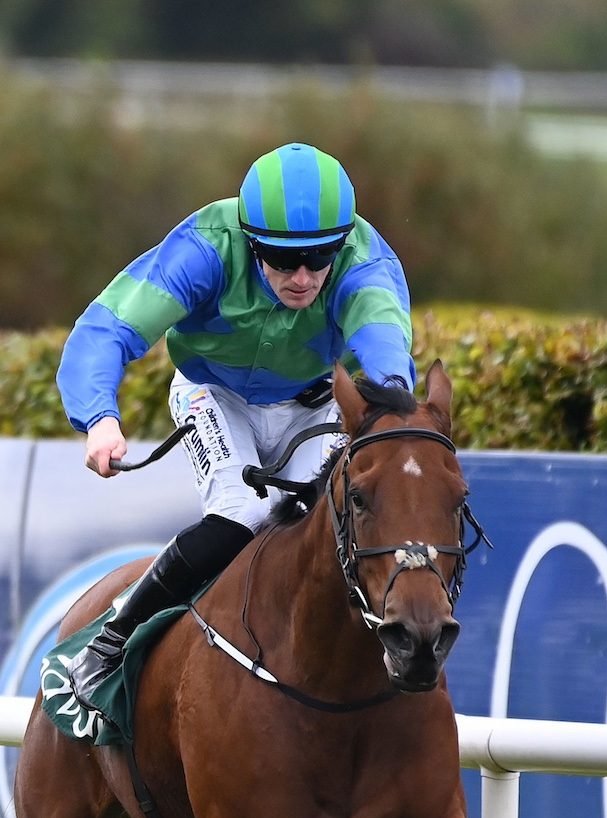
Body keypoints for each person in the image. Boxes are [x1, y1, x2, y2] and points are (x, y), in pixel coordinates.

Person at [56, 141, 418, 707]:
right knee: (243, 516)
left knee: (325, 524)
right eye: (283, 260)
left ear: (341, 244)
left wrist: (395, 411)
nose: (303, 278)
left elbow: (387, 355)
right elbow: (108, 328)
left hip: (315, 403)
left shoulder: (364, 263)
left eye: (320, 258)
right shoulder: (205, 248)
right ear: (251, 242)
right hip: (214, 394)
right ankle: (113, 639)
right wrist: (98, 417)